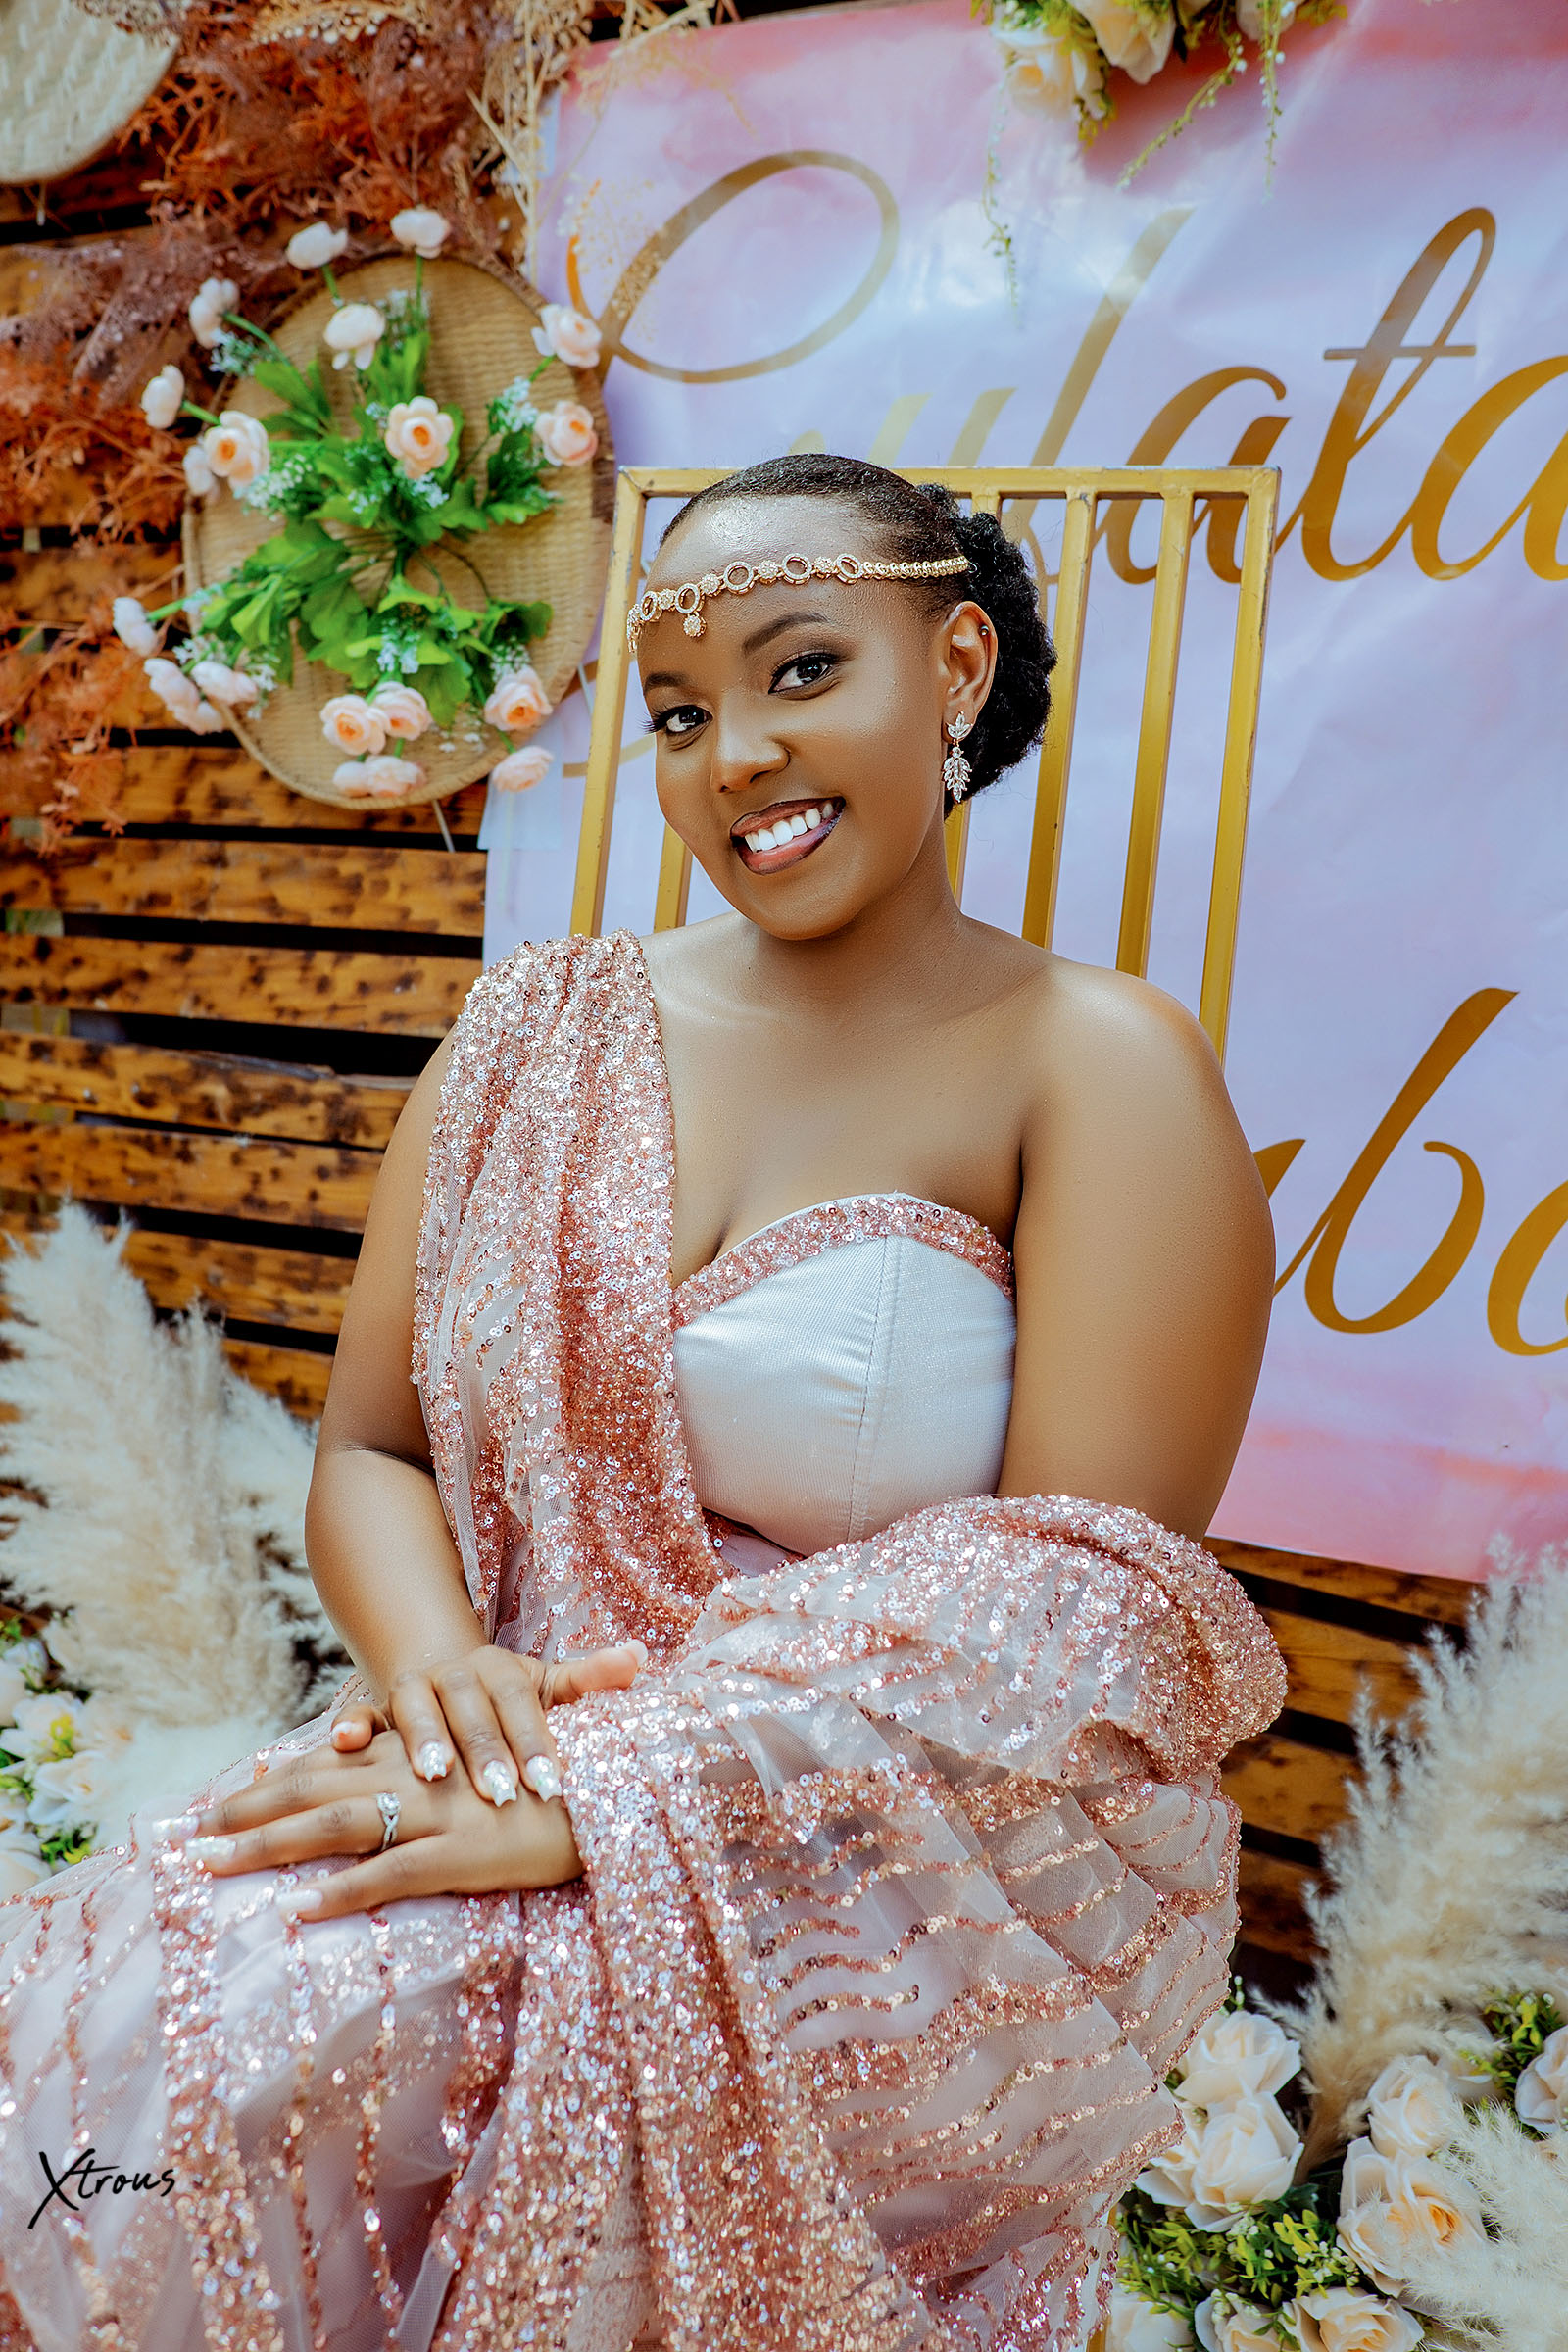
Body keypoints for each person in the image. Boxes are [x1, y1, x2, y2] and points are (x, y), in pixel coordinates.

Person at [0, 453, 1286, 2352]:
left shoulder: (1091, 1062)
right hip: (511, 1757)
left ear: (951, 667)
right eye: (678, 714)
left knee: (325, 2035)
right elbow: (373, 1453)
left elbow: (1076, 1613)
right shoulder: (537, 1030)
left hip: (893, 1862)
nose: (734, 759)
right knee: (138, 1993)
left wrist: (615, 1802)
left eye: (800, 671)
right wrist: (454, 1690)